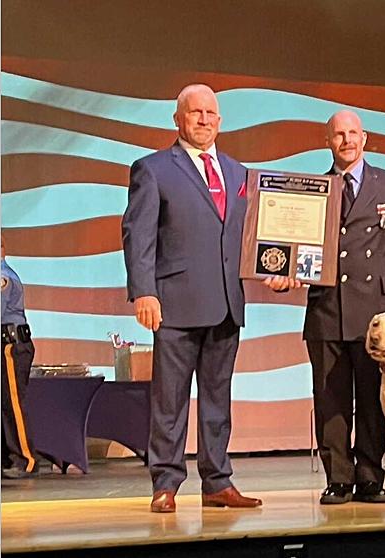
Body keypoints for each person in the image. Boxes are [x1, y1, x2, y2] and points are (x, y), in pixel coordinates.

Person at [269, 110, 385, 504]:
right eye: (338, 134)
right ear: (327, 141)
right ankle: (338, 478)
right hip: (327, 308)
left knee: (372, 400)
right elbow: (293, 248)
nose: (346, 140)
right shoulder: (314, 189)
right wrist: (281, 272)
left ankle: (369, 477)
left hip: (377, 313)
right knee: (330, 398)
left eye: (352, 133)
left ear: (364, 138)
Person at [122, 84, 262, 513]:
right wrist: (144, 291)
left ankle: (218, 482)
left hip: (225, 303)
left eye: (210, 113)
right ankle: (165, 483)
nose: (203, 119)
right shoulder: (154, 168)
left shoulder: (239, 174)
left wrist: (275, 271)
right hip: (176, 304)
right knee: (171, 401)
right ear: (178, 119)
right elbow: (138, 234)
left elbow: (252, 237)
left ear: (220, 121)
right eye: (194, 112)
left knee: (218, 401)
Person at [1, 234, 39, 480]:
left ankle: (26, 459)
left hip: (11, 347)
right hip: (3, 344)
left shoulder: (2, 277)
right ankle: (7, 457)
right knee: (4, 406)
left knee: (13, 405)